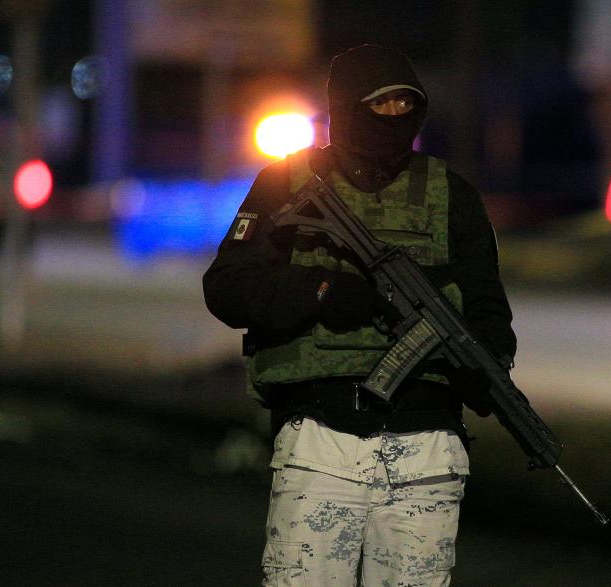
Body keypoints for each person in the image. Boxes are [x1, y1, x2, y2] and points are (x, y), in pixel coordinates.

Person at [203, 44, 516, 587]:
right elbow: (227, 287)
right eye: (379, 104)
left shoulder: (450, 194)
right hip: (320, 441)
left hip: (426, 450)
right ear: (347, 107)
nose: (393, 116)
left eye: (404, 104)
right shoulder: (286, 183)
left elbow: (488, 306)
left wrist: (488, 367)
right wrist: (321, 290)